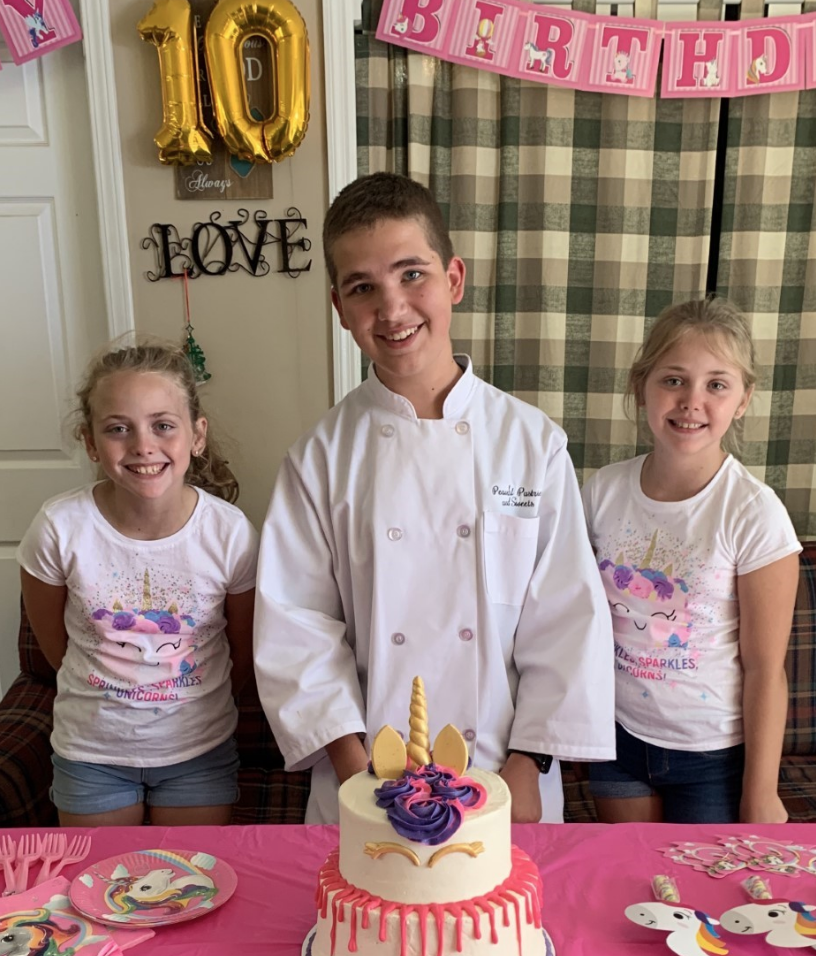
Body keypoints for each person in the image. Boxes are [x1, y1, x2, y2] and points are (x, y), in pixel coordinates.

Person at [254, 171, 615, 825]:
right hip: (361, 776)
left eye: (410, 274)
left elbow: (565, 620)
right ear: (339, 307)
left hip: (504, 771)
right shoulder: (319, 459)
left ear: (453, 280)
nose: (392, 308)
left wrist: (526, 768)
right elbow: (297, 629)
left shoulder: (531, 443)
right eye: (363, 288)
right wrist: (354, 771)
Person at [18, 341, 259, 826]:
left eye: (163, 425)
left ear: (197, 435)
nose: (143, 446)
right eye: (117, 429)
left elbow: (240, 650)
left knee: (190, 889)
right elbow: (56, 648)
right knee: (94, 891)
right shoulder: (59, 527)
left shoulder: (230, 533)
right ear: (90, 442)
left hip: (198, 751)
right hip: (90, 755)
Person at [583, 298, 801, 824]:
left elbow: (766, 670)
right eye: (673, 380)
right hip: (617, 738)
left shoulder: (752, 512)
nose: (691, 402)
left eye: (716, 385)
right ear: (642, 385)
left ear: (743, 399)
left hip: (713, 756)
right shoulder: (601, 491)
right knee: (630, 889)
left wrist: (762, 793)